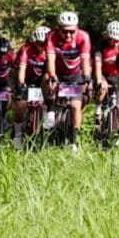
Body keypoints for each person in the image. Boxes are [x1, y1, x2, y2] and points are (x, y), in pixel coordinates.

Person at [44, 11, 92, 151]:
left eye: (71, 31)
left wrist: (87, 77)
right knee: (47, 78)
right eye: (64, 32)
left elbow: (84, 59)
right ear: (58, 29)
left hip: (75, 73)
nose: (68, 35)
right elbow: (51, 59)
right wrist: (53, 76)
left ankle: (73, 141)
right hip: (58, 72)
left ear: (77, 29)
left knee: (75, 107)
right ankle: (51, 110)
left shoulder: (83, 37)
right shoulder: (51, 37)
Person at [12, 27, 49, 148]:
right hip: (26, 80)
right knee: (21, 106)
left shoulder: (51, 51)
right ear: (34, 42)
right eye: (39, 43)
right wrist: (21, 85)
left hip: (42, 82)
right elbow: (21, 69)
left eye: (44, 43)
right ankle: (17, 135)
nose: (41, 46)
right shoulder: (26, 49)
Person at [93, 20, 119, 127]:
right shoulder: (100, 45)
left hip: (117, 76)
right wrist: (99, 81)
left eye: (118, 41)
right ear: (108, 37)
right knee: (102, 89)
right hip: (103, 74)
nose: (115, 43)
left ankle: (116, 133)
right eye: (112, 40)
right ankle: (97, 112)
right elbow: (97, 65)